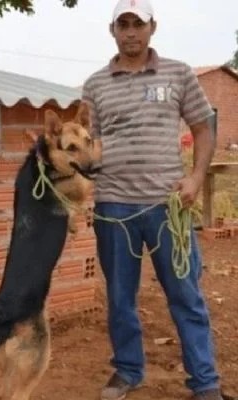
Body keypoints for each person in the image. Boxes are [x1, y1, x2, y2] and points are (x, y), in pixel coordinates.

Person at [81, 0, 228, 399]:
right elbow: (90, 144)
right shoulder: (95, 84)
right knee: (119, 298)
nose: (130, 32)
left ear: (152, 27)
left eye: (137, 24)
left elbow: (202, 128)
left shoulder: (178, 73)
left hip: (168, 207)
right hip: (113, 208)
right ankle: (128, 370)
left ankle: (205, 381)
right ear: (112, 30)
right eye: (123, 24)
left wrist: (196, 177)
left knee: (186, 296)